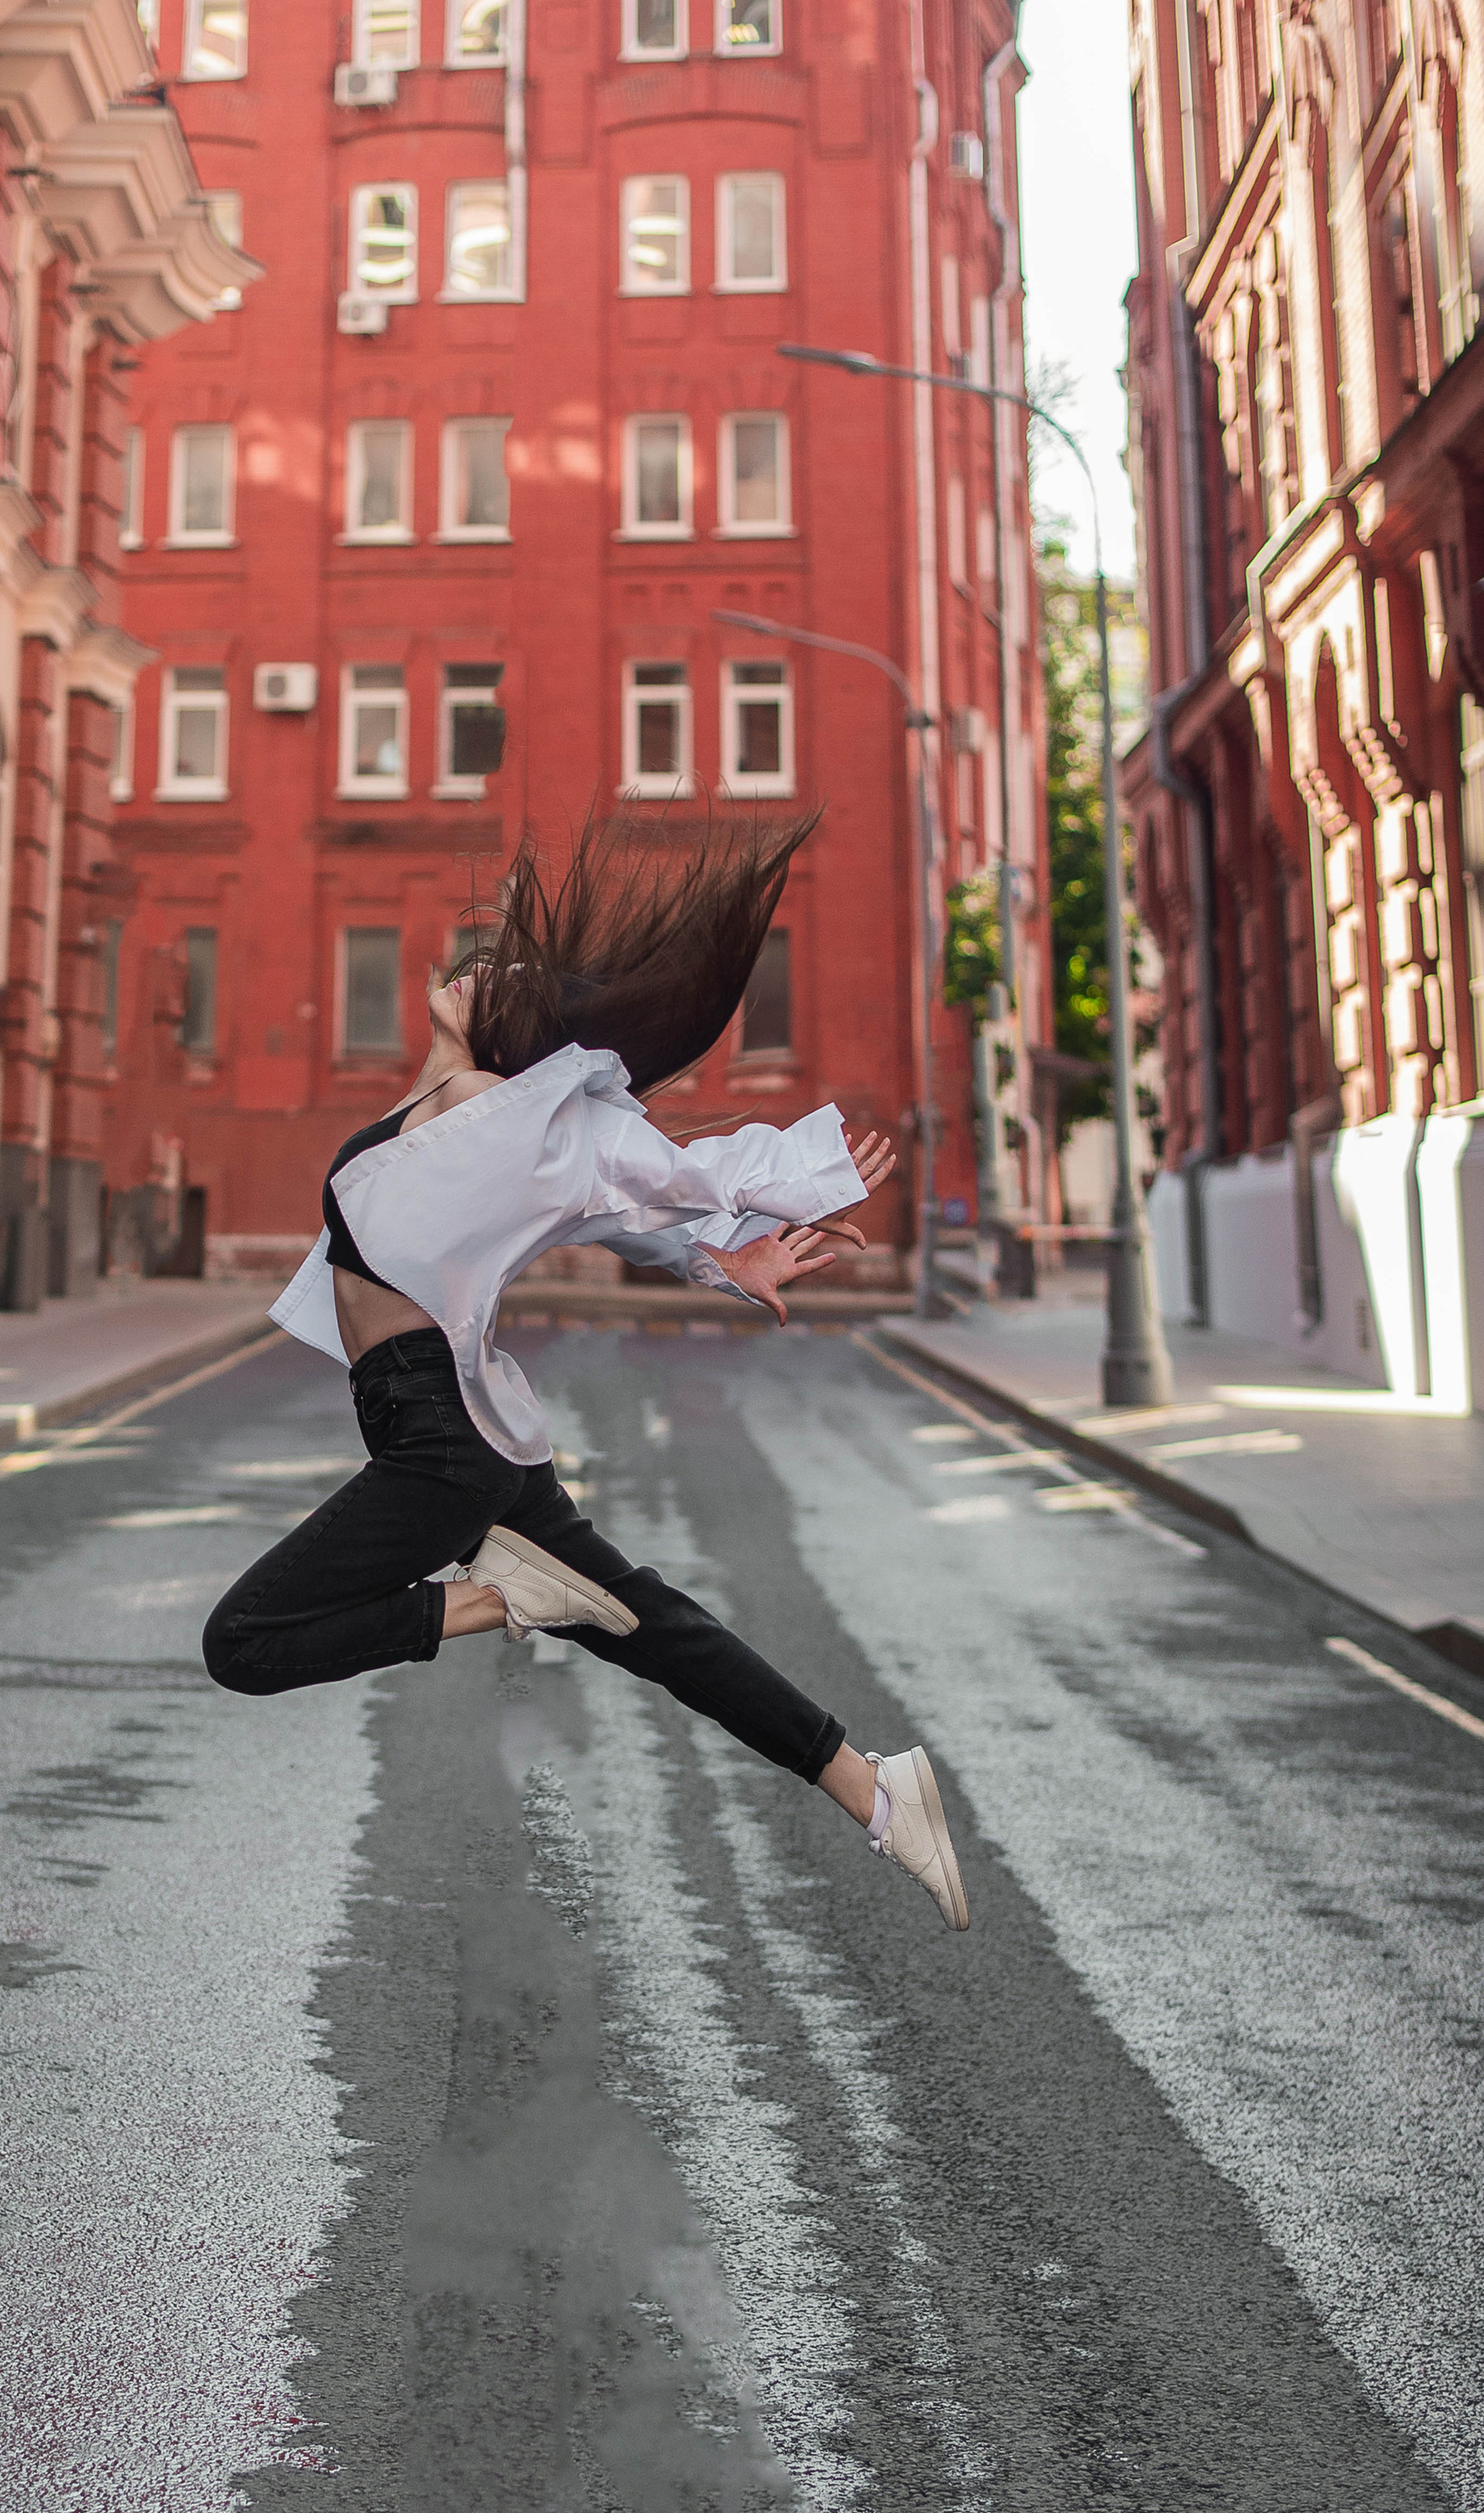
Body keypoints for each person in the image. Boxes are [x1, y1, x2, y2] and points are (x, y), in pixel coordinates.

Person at [202, 817, 967, 1928]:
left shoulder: (526, 1125)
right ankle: (875, 1787)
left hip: (438, 1442)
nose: (480, 968)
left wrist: (772, 1201)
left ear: (515, 1035)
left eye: (500, 975)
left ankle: (489, 1601)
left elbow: (660, 1175)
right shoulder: (453, 1115)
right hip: (466, 1440)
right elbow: (617, 1223)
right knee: (656, 1632)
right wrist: (713, 1261)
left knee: (241, 1642)